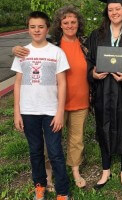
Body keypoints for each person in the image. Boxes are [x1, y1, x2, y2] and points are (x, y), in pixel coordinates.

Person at [12, 5, 89, 189]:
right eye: (66, 22)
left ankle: (75, 171)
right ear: (59, 25)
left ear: (79, 24)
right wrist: (16, 48)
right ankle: (47, 175)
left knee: (76, 139)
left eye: (73, 22)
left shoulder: (86, 44)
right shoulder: (54, 45)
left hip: (79, 99)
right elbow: (35, 46)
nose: (70, 25)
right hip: (53, 103)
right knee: (50, 145)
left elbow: (98, 62)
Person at [86, 0, 122, 190]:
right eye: (110, 9)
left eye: (117, 9)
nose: (114, 12)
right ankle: (105, 170)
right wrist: (92, 74)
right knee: (103, 126)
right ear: (107, 12)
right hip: (103, 89)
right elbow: (88, 60)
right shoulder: (97, 35)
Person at [12, 11, 69, 200]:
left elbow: (62, 83)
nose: (37, 30)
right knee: (35, 151)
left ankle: (62, 191)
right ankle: (40, 186)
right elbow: (18, 83)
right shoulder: (22, 53)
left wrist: (60, 112)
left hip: (51, 111)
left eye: (41, 26)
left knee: (55, 152)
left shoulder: (56, 52)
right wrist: (17, 112)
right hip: (28, 111)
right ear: (28, 29)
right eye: (32, 27)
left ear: (47, 29)